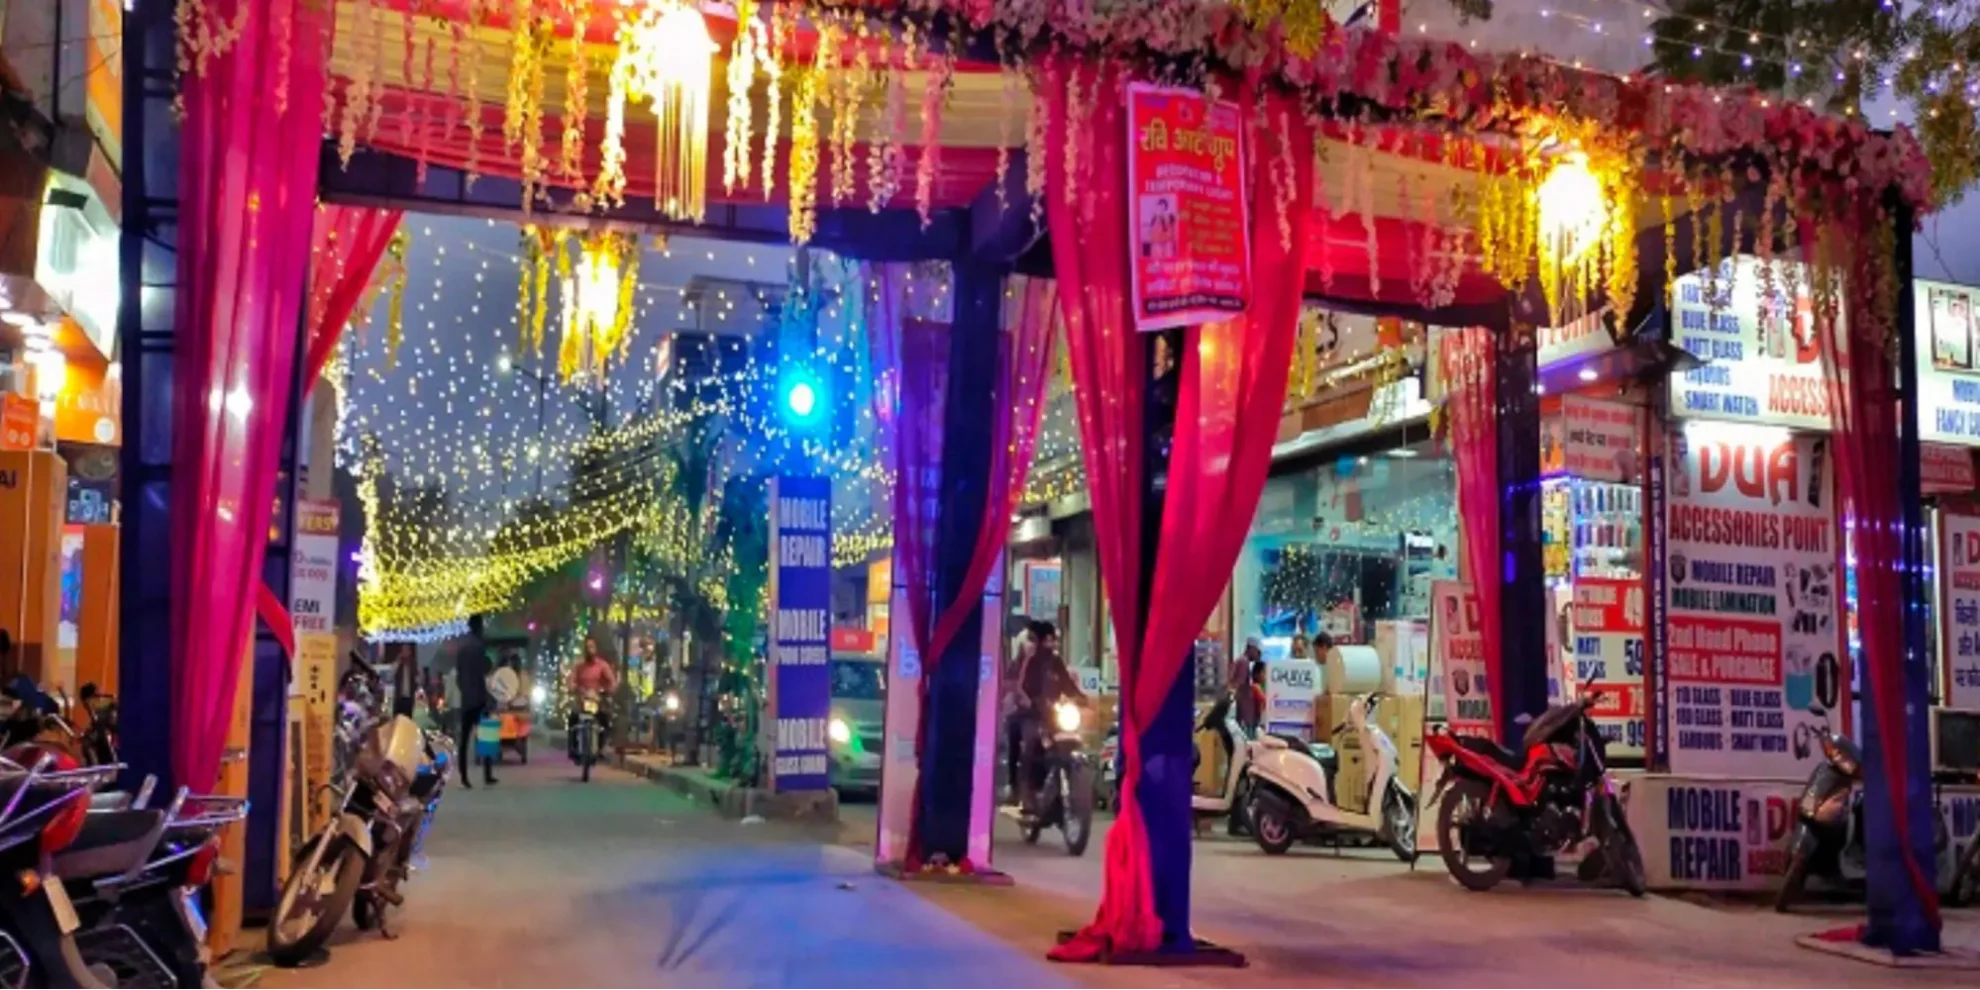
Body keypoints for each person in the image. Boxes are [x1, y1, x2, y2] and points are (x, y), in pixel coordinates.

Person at [1012, 620, 1085, 811]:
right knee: (1030, 743)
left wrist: (1079, 697)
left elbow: (1067, 683)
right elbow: (1016, 684)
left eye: (1053, 640)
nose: (1051, 644)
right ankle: (1025, 792)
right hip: (1030, 714)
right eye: (1048, 640)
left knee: (1067, 739)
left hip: (1052, 714)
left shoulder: (1055, 660)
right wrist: (1028, 700)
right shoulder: (1027, 659)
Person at [455, 615, 497, 787]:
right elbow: (483, 672)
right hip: (479, 698)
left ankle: (464, 776)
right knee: (485, 736)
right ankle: (487, 775)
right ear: (479, 627)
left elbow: (459, 676)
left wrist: (465, 691)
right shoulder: (479, 647)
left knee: (464, 739)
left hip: (467, 699)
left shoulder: (462, 648)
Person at [567, 637, 620, 758]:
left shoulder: (602, 665)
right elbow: (571, 680)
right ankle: (572, 748)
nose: (589, 650)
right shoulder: (579, 665)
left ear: (596, 649)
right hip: (582, 700)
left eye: (592, 647)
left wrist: (608, 690)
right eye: (587, 647)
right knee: (572, 719)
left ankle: (601, 746)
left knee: (605, 719)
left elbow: (612, 681)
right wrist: (573, 687)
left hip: (597, 700)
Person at [1237, 659, 1267, 735]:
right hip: (1253, 723)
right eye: (1264, 672)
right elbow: (1265, 702)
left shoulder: (1256, 687)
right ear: (1257, 674)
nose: (1266, 676)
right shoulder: (1255, 687)